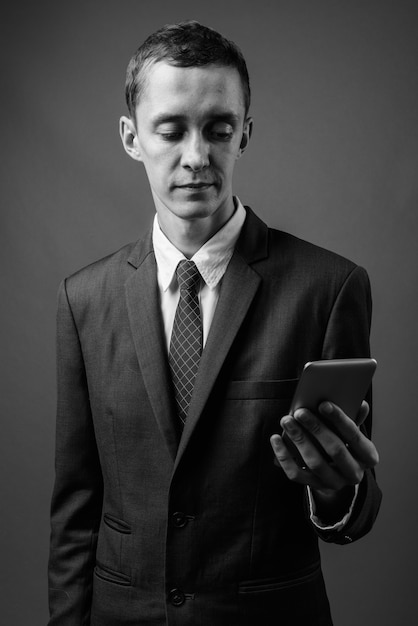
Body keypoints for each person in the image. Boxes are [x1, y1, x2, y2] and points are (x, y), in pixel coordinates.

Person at [48, 20, 382, 626]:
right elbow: (76, 509)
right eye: (171, 130)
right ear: (131, 137)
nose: (197, 157)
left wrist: (336, 490)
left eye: (219, 130)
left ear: (245, 133)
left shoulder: (329, 289)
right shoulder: (83, 299)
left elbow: (355, 504)